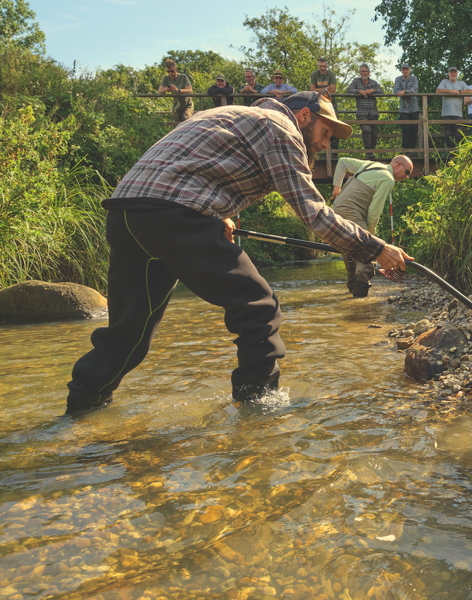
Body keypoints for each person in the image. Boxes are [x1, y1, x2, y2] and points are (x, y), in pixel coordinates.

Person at [65, 91, 413, 414]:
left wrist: (219, 214)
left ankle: (82, 410)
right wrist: (377, 248)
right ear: (303, 116)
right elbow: (315, 216)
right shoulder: (281, 129)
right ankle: (259, 409)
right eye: (325, 132)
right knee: (259, 310)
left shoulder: (228, 113)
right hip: (174, 217)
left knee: (130, 331)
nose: (326, 143)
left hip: (126, 215)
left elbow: (198, 166)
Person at [331, 156, 413, 297]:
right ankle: (361, 302)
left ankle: (352, 295)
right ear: (398, 165)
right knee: (368, 256)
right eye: (407, 172)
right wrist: (371, 238)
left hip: (336, 209)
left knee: (351, 250)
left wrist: (336, 187)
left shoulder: (370, 165)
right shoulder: (388, 178)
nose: (407, 177)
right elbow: (374, 212)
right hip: (351, 211)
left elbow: (342, 162)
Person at [347, 64, 383, 160]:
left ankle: (371, 152)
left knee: (374, 133)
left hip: (373, 112)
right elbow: (349, 91)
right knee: (367, 130)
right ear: (359, 73)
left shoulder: (373, 82)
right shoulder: (356, 82)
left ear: (369, 72)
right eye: (362, 71)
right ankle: (368, 153)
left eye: (366, 71)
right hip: (362, 112)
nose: (364, 73)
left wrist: (373, 90)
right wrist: (359, 91)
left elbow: (382, 92)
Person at [310, 58, 339, 161]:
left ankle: (335, 154)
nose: (322, 68)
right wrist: (326, 89)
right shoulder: (314, 74)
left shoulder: (331, 74)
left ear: (327, 67)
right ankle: (322, 154)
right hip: (319, 105)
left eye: (324, 66)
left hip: (331, 104)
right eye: (320, 66)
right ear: (318, 67)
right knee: (320, 129)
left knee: (334, 127)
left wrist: (320, 91)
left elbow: (333, 89)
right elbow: (312, 90)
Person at [435, 67, 470, 148]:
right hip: (446, 114)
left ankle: (459, 154)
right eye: (451, 72)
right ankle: (450, 156)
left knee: (459, 136)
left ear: (457, 74)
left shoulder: (461, 83)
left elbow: (470, 91)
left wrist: (459, 92)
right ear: (448, 74)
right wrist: (450, 91)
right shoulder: (444, 82)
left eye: (455, 72)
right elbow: (438, 91)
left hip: (458, 115)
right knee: (448, 137)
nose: (453, 74)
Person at [393, 63, 420, 154]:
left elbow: (415, 90)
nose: (405, 71)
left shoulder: (414, 78)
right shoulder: (398, 79)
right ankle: (405, 151)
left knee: (414, 131)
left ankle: (412, 150)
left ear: (409, 70)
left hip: (414, 108)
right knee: (406, 130)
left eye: (407, 69)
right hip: (404, 109)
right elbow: (396, 91)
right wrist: (409, 90)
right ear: (401, 71)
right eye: (403, 69)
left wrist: (404, 91)